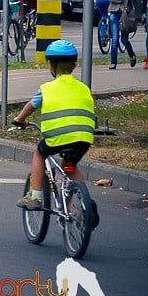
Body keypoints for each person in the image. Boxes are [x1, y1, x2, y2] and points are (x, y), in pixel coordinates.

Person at [12, 40, 96, 219]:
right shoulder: (83, 88)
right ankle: (85, 203)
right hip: (84, 137)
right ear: (74, 66)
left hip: (57, 137)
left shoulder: (47, 89)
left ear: (51, 65)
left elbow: (31, 106)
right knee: (69, 166)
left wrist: (20, 119)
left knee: (39, 153)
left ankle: (35, 196)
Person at [107, 0, 138, 69]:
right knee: (114, 38)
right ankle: (113, 62)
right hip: (114, 11)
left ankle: (131, 55)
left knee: (124, 39)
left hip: (126, 12)